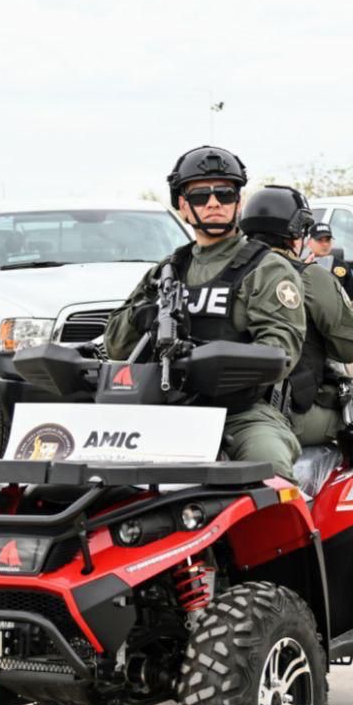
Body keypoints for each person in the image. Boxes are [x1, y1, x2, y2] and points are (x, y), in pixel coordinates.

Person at [103, 146, 306, 481]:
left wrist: (211, 361)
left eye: (225, 194)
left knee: (268, 467)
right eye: (200, 196)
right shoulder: (167, 270)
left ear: (239, 202)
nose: (214, 203)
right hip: (165, 409)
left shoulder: (267, 269)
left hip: (240, 413)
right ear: (183, 206)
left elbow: (282, 350)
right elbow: (115, 345)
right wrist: (141, 317)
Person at [240, 185, 353, 446]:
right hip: (281, 414)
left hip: (219, 408)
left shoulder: (227, 272)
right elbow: (351, 347)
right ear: (295, 235)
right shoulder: (308, 275)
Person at [305, 224, 353, 300]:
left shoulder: (342, 267)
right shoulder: (302, 265)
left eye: (327, 240)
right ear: (309, 242)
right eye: (320, 240)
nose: (325, 244)